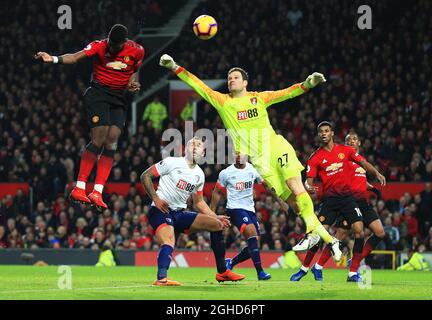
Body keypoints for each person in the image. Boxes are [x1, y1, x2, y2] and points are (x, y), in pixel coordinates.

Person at [159, 54, 342, 262]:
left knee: (295, 184)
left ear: (245, 82)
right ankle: (330, 239)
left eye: (235, 77)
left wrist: (308, 83)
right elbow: (199, 85)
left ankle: (312, 231)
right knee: (295, 204)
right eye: (229, 78)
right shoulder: (223, 102)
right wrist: (175, 67)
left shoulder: (259, 98)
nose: (231, 80)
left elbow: (286, 93)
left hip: (275, 146)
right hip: (260, 162)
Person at [35, 24, 145, 210]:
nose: (111, 48)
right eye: (110, 43)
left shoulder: (137, 50)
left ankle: (97, 192)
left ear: (124, 44)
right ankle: (79, 187)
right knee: (99, 137)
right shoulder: (99, 46)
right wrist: (52, 59)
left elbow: (134, 70)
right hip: (98, 93)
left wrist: (133, 83)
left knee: (112, 142)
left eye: (115, 46)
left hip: (118, 97)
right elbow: (75, 57)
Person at [140, 137, 245, 286]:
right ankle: (161, 278)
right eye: (192, 144)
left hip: (179, 214)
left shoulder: (199, 174)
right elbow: (145, 176)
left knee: (216, 224)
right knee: (169, 240)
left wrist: (216, 216)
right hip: (160, 210)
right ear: (186, 149)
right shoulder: (172, 162)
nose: (195, 147)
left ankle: (222, 272)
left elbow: (199, 202)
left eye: (199, 145)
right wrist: (156, 198)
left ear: (203, 153)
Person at [290, 122, 386, 282]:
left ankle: (352, 273)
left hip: (348, 199)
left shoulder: (346, 151)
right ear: (318, 135)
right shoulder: (315, 157)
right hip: (330, 201)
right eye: (321, 132)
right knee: (317, 235)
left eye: (326, 131)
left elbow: (363, 163)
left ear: (332, 133)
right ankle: (304, 268)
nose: (323, 134)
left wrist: (376, 173)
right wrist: (309, 186)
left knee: (359, 231)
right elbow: (308, 180)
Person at [210, 153, 283, 280]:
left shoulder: (253, 169)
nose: (239, 156)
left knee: (254, 245)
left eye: (241, 153)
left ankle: (231, 263)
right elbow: (217, 192)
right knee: (251, 233)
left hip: (250, 210)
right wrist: (211, 214)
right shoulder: (226, 173)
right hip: (234, 209)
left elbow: (266, 185)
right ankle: (260, 272)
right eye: (236, 153)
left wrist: (280, 201)